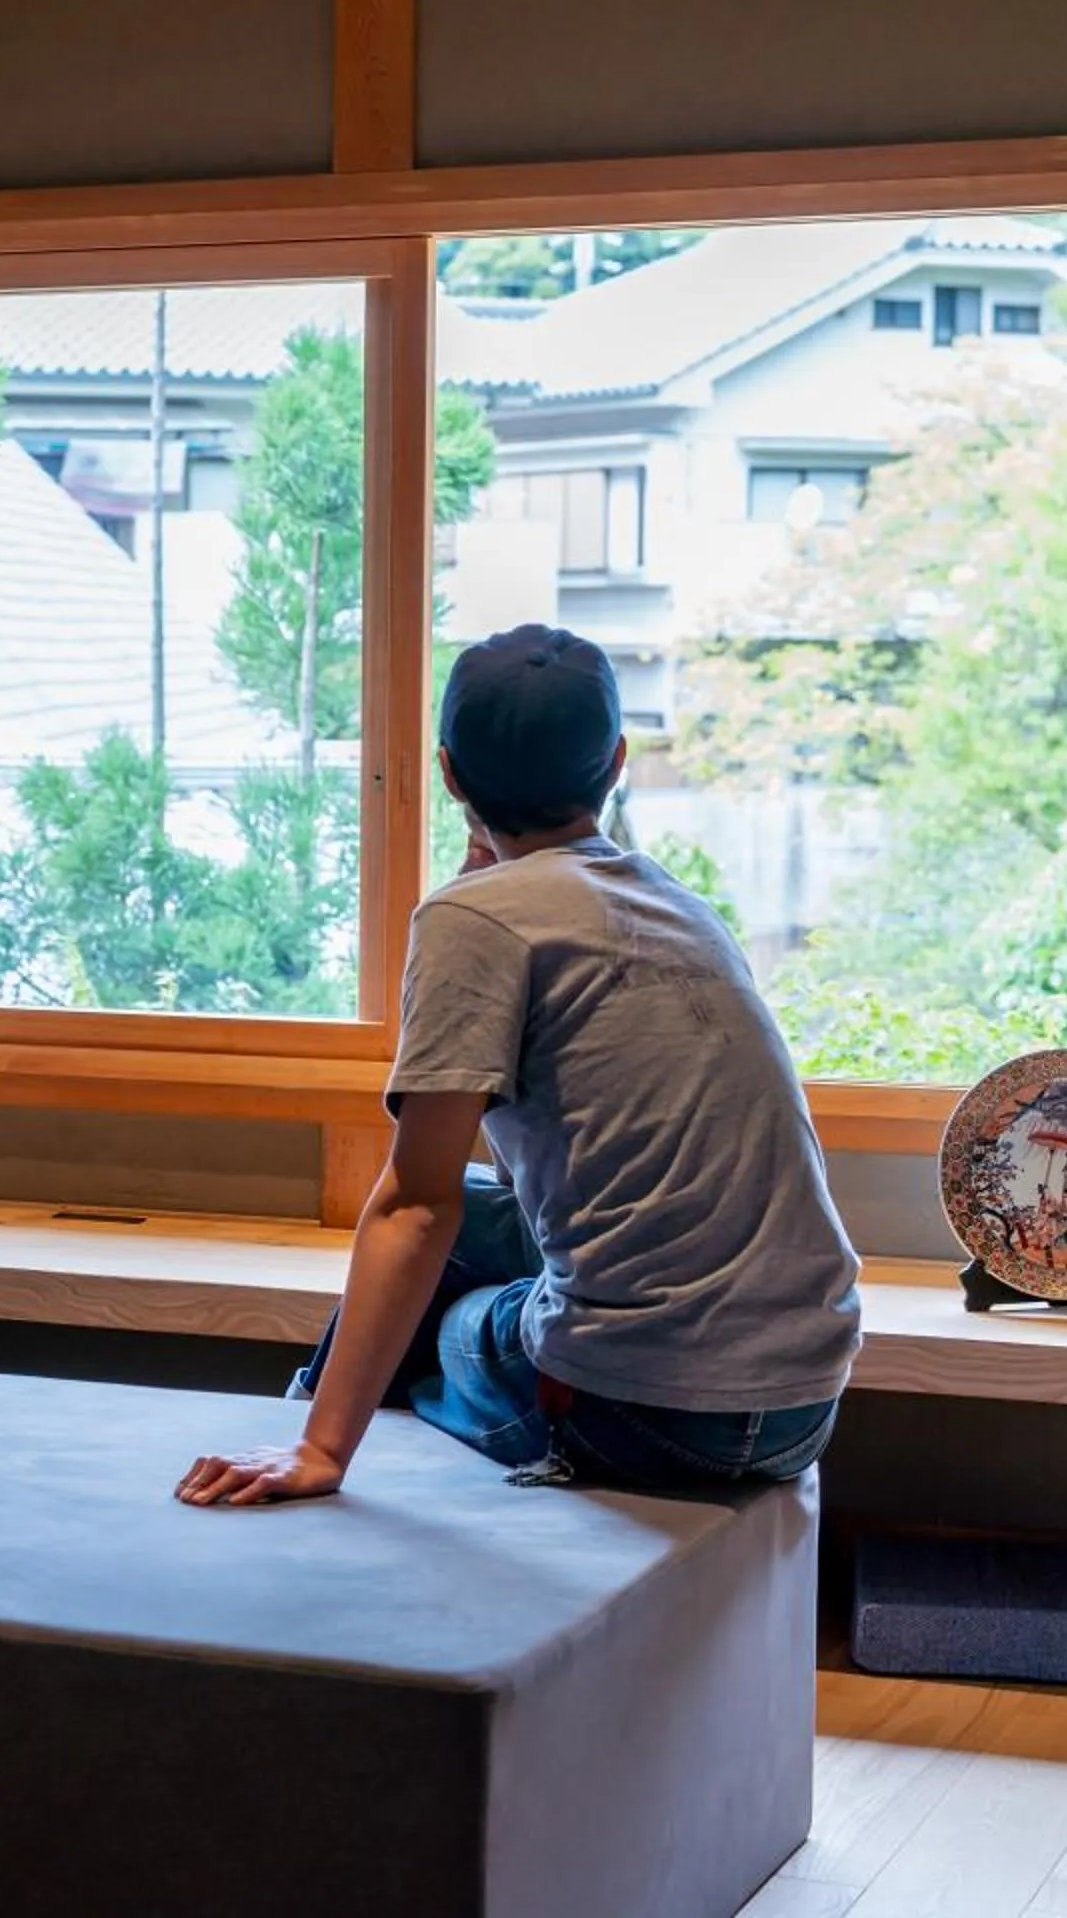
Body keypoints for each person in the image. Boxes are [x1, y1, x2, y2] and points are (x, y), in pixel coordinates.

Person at [179, 624, 862, 1507]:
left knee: (452, 1325)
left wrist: (322, 1448)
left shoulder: (475, 923)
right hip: (806, 1402)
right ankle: (323, 1416)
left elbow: (415, 1204)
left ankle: (305, 1436)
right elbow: (548, 1156)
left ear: (448, 773)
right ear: (616, 762)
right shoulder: (680, 907)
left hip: (651, 1417)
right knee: (481, 1228)